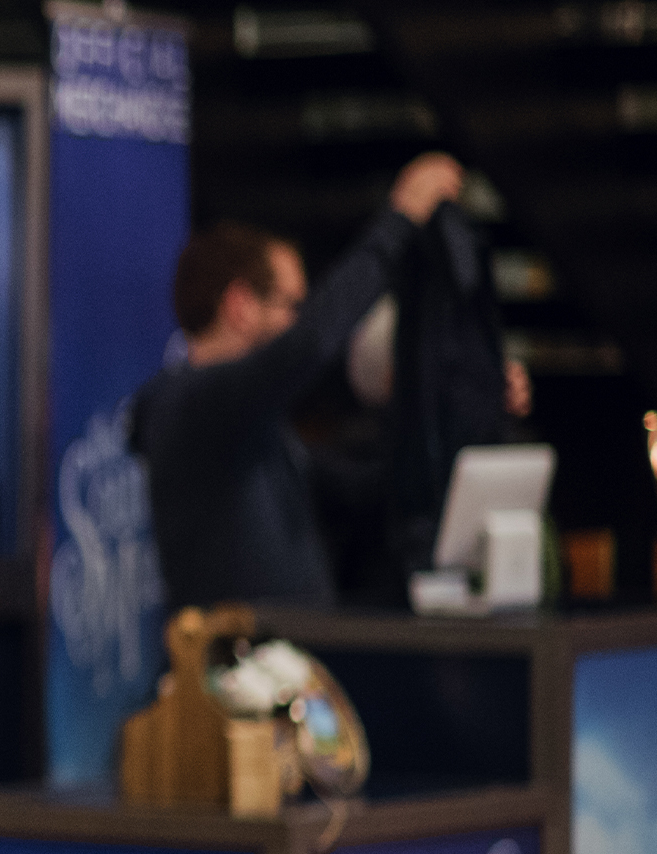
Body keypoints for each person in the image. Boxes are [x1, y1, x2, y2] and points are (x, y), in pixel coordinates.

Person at [131, 152, 464, 609]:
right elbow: (312, 343)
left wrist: (467, 412)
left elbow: (360, 488)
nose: (300, 321)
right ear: (240, 306)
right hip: (232, 671)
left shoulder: (252, 426)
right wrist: (401, 217)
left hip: (287, 668)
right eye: (291, 305)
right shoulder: (189, 403)